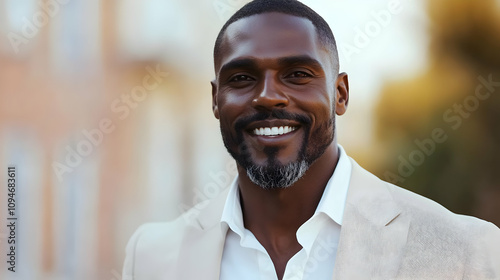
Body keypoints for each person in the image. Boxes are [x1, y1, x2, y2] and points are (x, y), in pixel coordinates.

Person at [122, 0, 500, 279]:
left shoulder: (464, 252)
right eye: (241, 78)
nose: (268, 96)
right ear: (215, 101)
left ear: (340, 94)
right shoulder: (152, 257)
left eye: (298, 74)